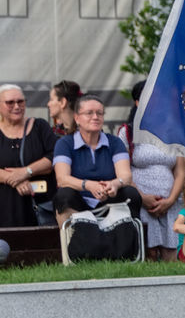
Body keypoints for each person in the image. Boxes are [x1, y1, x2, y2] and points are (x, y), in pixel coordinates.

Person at [51, 95, 142, 225]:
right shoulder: (65, 143)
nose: (95, 117)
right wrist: (88, 185)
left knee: (130, 192)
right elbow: (62, 179)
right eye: (89, 113)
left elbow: (126, 176)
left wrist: (114, 184)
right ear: (77, 118)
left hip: (109, 201)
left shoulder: (115, 142)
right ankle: (74, 241)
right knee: (64, 194)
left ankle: (127, 241)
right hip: (79, 202)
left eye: (99, 113)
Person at [119, 81, 185, 261]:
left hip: (171, 203)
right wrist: (142, 198)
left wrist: (170, 200)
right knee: (148, 255)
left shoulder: (172, 131)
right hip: (142, 203)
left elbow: (180, 172)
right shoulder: (128, 133)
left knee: (172, 255)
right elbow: (123, 171)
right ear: (137, 103)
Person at [0, 84, 56, 228]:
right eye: (10, 102)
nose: (17, 106)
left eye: (21, 101)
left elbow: (53, 156)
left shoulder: (40, 126)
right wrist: (13, 179)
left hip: (40, 205)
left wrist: (26, 171)